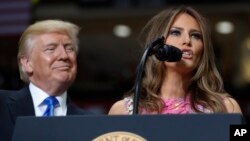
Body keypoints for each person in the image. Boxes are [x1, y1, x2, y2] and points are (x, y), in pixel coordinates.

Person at [108, 6, 242, 115]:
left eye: (196, 36)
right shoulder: (124, 111)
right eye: (175, 32)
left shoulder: (227, 109)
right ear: (157, 46)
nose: (187, 41)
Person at [0, 19, 93, 141]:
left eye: (69, 48)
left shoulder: (90, 123)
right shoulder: (2, 105)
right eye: (51, 49)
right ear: (27, 63)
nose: (64, 56)